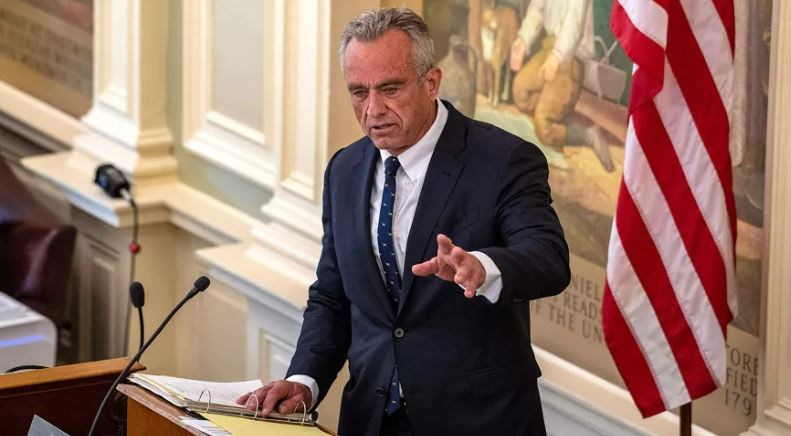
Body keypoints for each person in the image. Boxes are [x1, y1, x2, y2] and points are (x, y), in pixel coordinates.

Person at [237, 8, 570, 435]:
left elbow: (548, 258)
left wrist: (482, 267)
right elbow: (334, 295)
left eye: (390, 88)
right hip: (372, 420)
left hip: (478, 421)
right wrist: (305, 380)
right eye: (358, 92)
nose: (373, 109)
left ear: (431, 82)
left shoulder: (504, 160)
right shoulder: (345, 170)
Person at [509, 0, 615, 172]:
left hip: (570, 57)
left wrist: (556, 57)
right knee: (521, 91)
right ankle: (556, 114)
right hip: (548, 48)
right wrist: (523, 40)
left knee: (544, 128)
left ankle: (587, 135)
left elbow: (573, 26)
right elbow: (537, 9)